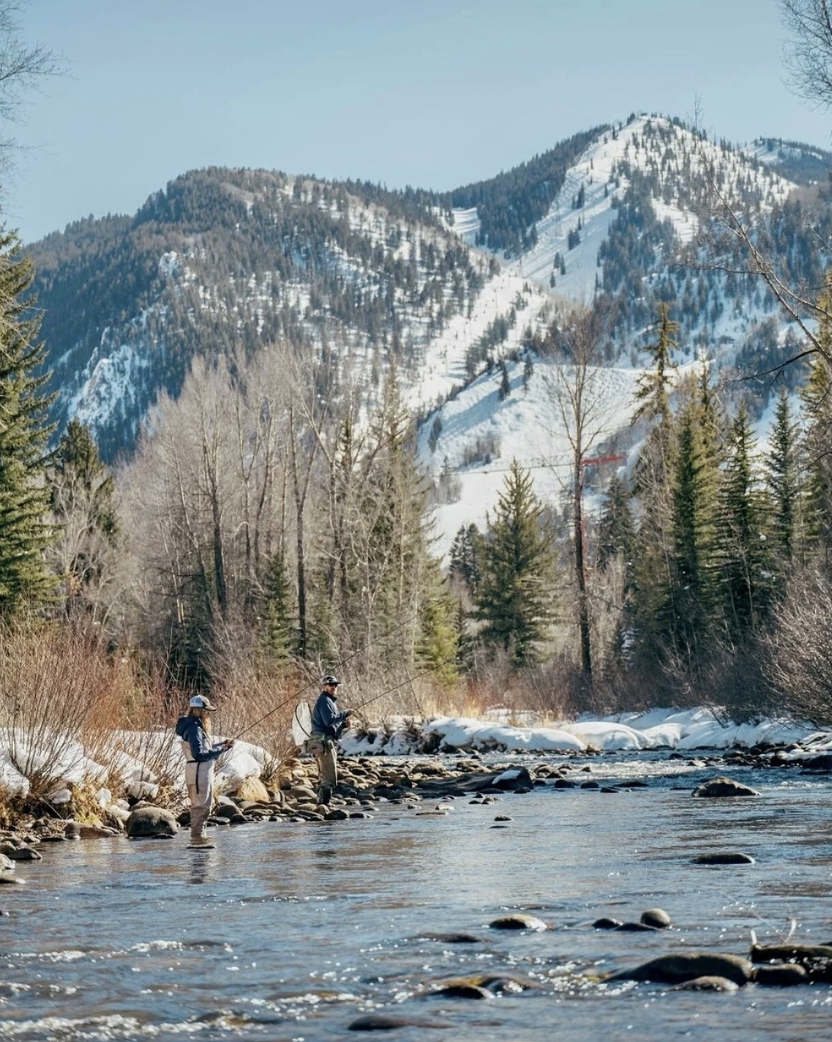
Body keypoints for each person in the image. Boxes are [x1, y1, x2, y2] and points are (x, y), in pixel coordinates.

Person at [175, 694, 234, 848]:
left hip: (196, 771)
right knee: (201, 807)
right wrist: (221, 749)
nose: (209, 714)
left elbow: (203, 749)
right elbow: (199, 754)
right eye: (207, 711)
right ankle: (198, 843)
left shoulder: (194, 726)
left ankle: (198, 841)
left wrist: (222, 745)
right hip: (199, 772)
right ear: (199, 711)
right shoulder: (194, 728)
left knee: (200, 806)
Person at [307, 675, 351, 805]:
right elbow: (329, 721)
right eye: (331, 685)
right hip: (324, 743)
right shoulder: (325, 700)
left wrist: (342, 725)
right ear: (324, 686)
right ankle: (323, 806)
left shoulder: (328, 701)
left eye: (336, 685)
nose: (334, 687)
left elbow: (330, 725)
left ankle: (321, 805)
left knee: (325, 776)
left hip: (324, 741)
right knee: (329, 778)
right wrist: (345, 713)